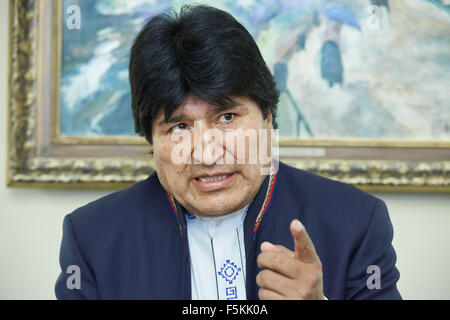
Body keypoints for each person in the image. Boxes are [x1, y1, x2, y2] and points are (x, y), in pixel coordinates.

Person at [55, 5, 401, 300]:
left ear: (267, 119)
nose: (206, 154)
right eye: (179, 127)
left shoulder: (355, 222)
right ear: (151, 140)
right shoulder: (92, 238)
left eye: (227, 117)